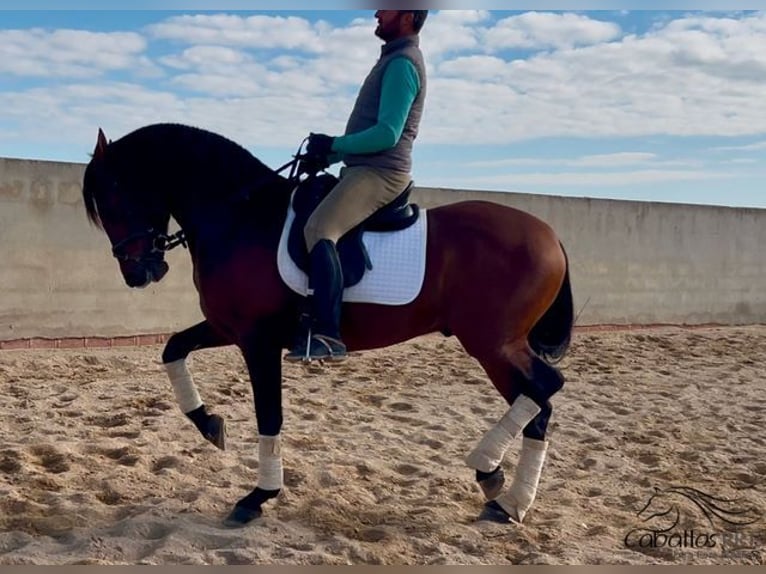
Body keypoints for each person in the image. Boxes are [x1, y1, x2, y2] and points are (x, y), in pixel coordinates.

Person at [285, 10, 429, 363]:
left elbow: (387, 134)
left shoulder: (402, 63)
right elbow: (367, 135)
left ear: (408, 15)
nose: (377, 12)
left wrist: (334, 142)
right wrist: (328, 155)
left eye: (387, 7)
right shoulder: (391, 59)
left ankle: (328, 335)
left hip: (381, 174)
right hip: (361, 169)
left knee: (319, 228)